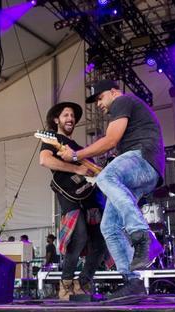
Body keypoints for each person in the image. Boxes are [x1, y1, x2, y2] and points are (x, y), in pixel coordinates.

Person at [57, 80, 165, 297]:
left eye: (100, 97)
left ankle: (143, 237)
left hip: (142, 160)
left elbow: (111, 139)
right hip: (142, 172)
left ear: (113, 92)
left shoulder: (122, 100)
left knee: (106, 177)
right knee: (109, 227)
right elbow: (116, 144)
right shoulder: (129, 112)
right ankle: (132, 282)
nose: (98, 104)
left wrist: (76, 155)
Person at [39, 102, 108, 300]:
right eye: (66, 115)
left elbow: (94, 174)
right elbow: (45, 160)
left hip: (90, 195)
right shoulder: (52, 138)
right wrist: (76, 169)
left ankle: (83, 283)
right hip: (70, 194)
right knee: (79, 236)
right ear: (56, 120)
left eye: (72, 116)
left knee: (100, 241)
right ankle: (66, 283)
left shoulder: (79, 148)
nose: (70, 118)